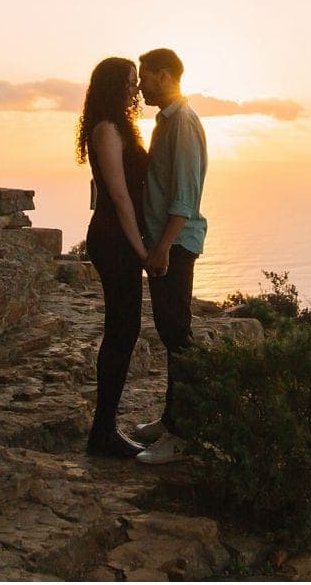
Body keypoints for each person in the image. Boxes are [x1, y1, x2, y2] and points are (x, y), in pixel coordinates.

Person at [132, 46, 208, 465]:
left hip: (174, 246)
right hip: (167, 244)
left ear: (164, 75)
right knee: (169, 331)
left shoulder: (182, 123)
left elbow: (184, 197)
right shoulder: (166, 122)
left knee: (178, 335)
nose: (141, 83)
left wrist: (161, 247)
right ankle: (171, 419)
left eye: (146, 75)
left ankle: (183, 433)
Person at [76, 56, 153, 458]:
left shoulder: (120, 125)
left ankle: (104, 427)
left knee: (125, 330)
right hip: (113, 239)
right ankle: (102, 431)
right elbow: (119, 196)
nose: (136, 88)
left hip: (119, 239)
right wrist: (141, 248)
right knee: (121, 331)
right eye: (130, 81)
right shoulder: (106, 130)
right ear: (113, 85)